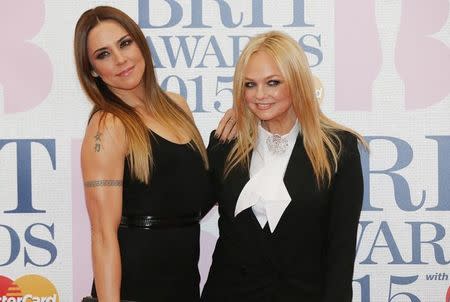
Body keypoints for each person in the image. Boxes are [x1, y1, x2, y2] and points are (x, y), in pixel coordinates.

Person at [74, 6, 234, 302]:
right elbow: (102, 234)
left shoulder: (177, 107)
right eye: (103, 54)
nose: (120, 59)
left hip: (184, 286)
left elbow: (195, 200)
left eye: (125, 43)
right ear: (93, 70)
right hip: (134, 290)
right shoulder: (108, 125)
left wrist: (233, 136)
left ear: (140, 43)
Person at [201, 31, 365, 302]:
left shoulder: (338, 149)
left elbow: (341, 251)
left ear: (297, 83)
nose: (260, 95)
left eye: (273, 82)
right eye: (249, 85)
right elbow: (188, 208)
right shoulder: (225, 145)